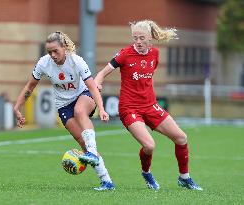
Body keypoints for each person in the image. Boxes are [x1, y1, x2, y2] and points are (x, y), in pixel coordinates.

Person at [95, 20, 203, 191]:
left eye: (142, 38)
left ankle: (184, 178)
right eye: (135, 38)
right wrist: (97, 85)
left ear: (150, 38)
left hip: (150, 105)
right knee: (149, 146)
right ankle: (146, 172)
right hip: (129, 108)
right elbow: (101, 74)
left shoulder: (155, 54)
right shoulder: (124, 54)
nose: (138, 42)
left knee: (181, 138)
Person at [13, 31, 115, 191]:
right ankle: (107, 181)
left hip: (84, 94)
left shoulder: (77, 61)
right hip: (63, 105)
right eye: (49, 51)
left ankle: (93, 153)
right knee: (83, 143)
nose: (52, 55)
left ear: (65, 47)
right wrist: (17, 107)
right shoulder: (43, 63)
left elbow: (92, 86)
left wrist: (101, 108)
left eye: (55, 51)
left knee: (80, 110)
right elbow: (29, 86)